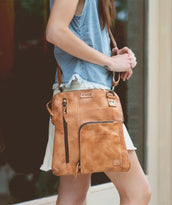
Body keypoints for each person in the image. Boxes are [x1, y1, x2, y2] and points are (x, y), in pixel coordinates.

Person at [40, 0, 152, 204]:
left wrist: (115, 57)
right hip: (89, 103)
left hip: (76, 103)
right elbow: (55, 31)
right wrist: (109, 62)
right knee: (138, 191)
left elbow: (80, 34)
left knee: (74, 194)